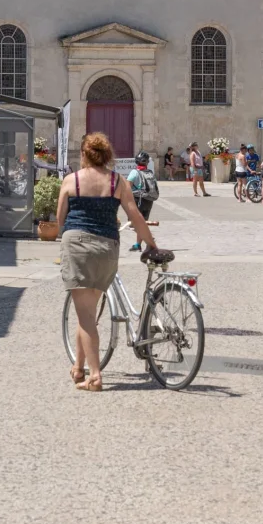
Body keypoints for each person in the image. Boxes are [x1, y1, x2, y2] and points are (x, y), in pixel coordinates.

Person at [56, 132, 158, 392]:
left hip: (77, 245)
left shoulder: (71, 181)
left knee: (86, 316)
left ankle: (95, 375)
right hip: (107, 247)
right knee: (87, 313)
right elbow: (135, 216)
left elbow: (60, 220)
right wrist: (151, 243)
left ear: (84, 154)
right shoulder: (117, 182)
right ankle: (79, 367)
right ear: (107, 155)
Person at [127, 151, 159, 251]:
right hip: (149, 200)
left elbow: (128, 188)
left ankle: (149, 237)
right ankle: (137, 245)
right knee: (143, 222)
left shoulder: (134, 172)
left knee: (133, 223)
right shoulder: (150, 172)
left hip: (138, 200)